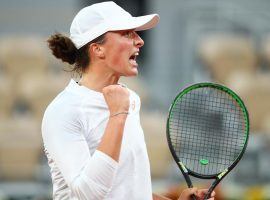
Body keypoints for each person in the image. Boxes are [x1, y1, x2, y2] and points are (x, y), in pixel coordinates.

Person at [42, 1, 215, 200]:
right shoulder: (63, 111)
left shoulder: (131, 100)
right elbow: (88, 193)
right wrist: (117, 115)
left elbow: (128, 191)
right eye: (127, 34)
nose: (140, 41)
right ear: (98, 49)